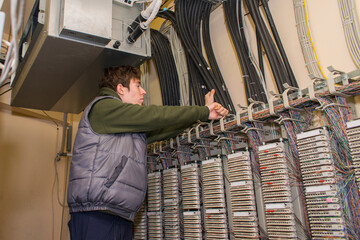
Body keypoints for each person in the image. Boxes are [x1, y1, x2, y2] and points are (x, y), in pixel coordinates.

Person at [67, 65, 229, 240]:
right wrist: (202, 111)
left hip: (117, 213)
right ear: (121, 89)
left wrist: (202, 115)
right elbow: (155, 116)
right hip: (97, 213)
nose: (143, 91)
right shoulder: (103, 107)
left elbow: (162, 127)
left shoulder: (124, 122)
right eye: (137, 85)